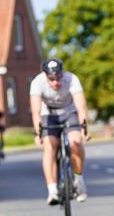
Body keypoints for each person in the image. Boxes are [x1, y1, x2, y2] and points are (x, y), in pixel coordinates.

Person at [30, 58, 90, 206]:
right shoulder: (37, 83)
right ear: (45, 76)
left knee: (75, 142)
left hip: (69, 112)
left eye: (58, 78)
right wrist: (38, 134)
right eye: (51, 79)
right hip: (48, 114)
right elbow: (36, 111)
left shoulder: (72, 79)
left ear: (63, 73)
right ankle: (52, 191)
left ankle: (78, 180)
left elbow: (81, 107)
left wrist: (84, 129)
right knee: (50, 146)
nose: (55, 82)